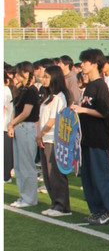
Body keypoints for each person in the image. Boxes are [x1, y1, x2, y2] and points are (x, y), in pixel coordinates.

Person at [71, 49, 109, 225]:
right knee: (88, 177)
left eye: (85, 62)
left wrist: (82, 110)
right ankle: (96, 210)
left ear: (95, 64)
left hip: (98, 138)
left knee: (100, 176)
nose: (82, 65)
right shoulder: (88, 86)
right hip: (86, 138)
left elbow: (104, 112)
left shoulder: (100, 86)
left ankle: (106, 211)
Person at [36, 65, 71, 217]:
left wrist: (41, 134)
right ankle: (54, 202)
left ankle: (62, 206)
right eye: (43, 76)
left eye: (47, 77)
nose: (43, 79)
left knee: (55, 173)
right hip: (45, 138)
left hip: (53, 139)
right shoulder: (47, 97)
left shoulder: (59, 97)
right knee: (47, 173)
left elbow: (53, 120)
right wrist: (40, 135)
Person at [7, 62, 41, 209]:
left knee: (27, 165)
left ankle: (30, 198)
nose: (16, 76)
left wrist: (12, 123)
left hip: (27, 127)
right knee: (19, 166)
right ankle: (24, 195)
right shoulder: (21, 89)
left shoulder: (32, 91)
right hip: (19, 127)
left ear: (26, 73)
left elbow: (26, 112)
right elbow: (15, 109)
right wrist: (12, 124)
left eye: (19, 73)